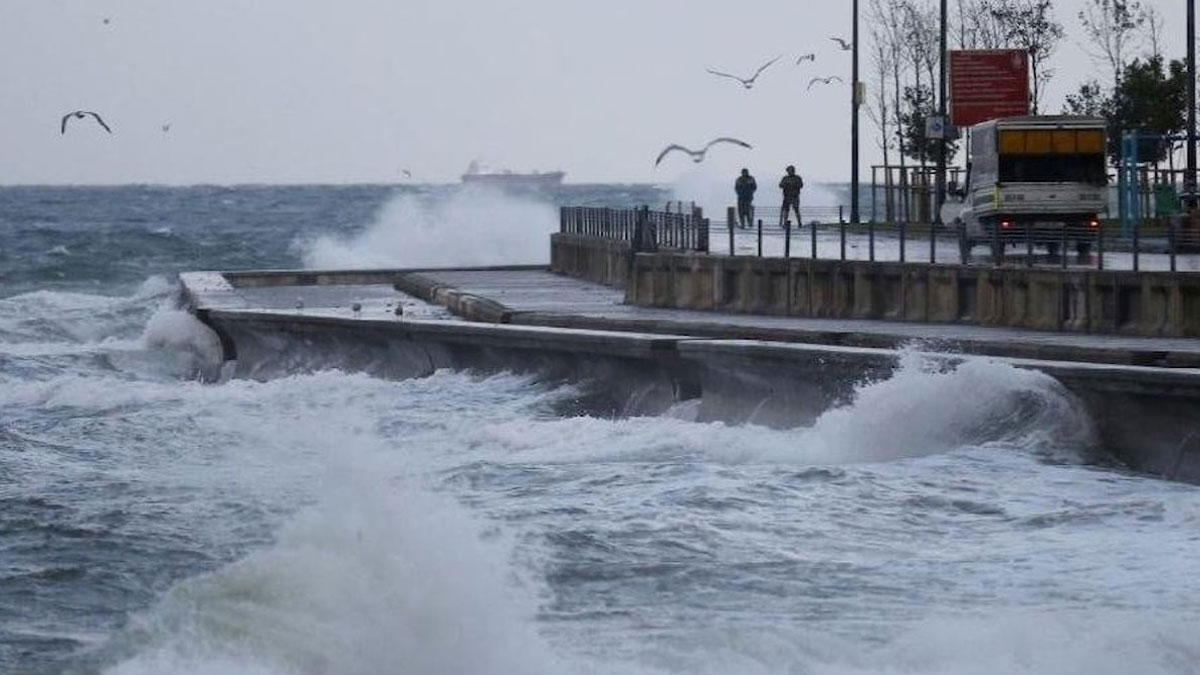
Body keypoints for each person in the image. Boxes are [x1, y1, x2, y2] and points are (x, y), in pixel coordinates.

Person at [779, 165, 804, 229]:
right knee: (786, 210)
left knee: (796, 210)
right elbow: (780, 185)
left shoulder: (797, 178)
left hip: (795, 196)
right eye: (788, 171)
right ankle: (785, 223)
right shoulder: (785, 178)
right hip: (787, 196)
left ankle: (799, 223)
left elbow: (801, 185)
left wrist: (793, 184)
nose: (789, 172)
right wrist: (786, 184)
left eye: (791, 170)